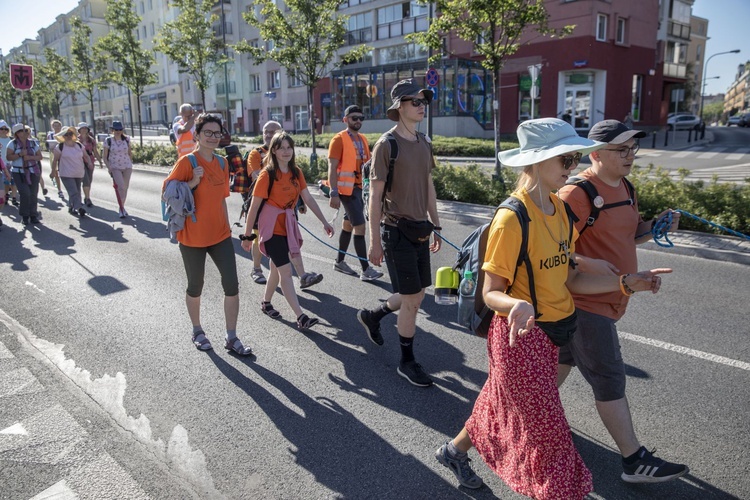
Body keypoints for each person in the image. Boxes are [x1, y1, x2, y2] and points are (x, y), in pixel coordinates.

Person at [434, 118, 674, 497]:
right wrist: (515, 305)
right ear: (537, 161)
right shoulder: (511, 218)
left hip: (554, 333)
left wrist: (627, 283)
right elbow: (492, 290)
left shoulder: (561, 213)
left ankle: (452, 452)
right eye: (565, 159)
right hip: (521, 339)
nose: (573, 167)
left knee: (497, 403)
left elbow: (570, 280)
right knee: (551, 445)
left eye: (574, 157)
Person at [556, 119, 688, 484]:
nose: (631, 155)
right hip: (584, 303)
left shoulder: (626, 187)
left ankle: (522, 418)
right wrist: (588, 263)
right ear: (595, 154)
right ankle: (634, 460)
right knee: (609, 378)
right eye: (622, 149)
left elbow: (631, 235)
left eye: (633, 148)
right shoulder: (577, 194)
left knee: (560, 365)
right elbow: (554, 247)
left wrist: (655, 226)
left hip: (612, 298)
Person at [355, 78, 442, 387]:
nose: (421, 106)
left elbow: (428, 186)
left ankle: (374, 315)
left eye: (423, 102)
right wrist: (374, 241)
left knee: (415, 293)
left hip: (420, 229)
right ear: (399, 107)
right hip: (395, 230)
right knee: (413, 298)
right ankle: (407, 361)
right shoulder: (386, 145)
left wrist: (437, 223)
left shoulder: (425, 142)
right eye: (415, 102)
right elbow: (375, 197)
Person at [162, 113, 252, 356]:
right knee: (195, 285)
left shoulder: (223, 164)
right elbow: (167, 193)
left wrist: (229, 228)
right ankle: (197, 330)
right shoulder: (187, 162)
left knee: (232, 285)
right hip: (192, 237)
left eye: (217, 133)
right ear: (197, 135)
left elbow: (221, 199)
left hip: (220, 235)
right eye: (208, 133)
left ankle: (231, 337)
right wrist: (191, 183)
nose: (213, 137)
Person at [240, 131, 334, 331]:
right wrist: (248, 236)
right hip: (270, 227)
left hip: (287, 224)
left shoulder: (296, 172)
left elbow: (307, 198)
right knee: (285, 271)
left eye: (289, 147)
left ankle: (266, 303)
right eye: (281, 147)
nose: (286, 151)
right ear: (273, 150)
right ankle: (301, 317)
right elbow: (254, 207)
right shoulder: (267, 174)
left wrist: (325, 222)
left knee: (275, 268)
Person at [245, 121, 323, 289]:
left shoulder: (294, 168)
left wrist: (300, 202)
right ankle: (257, 268)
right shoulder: (256, 154)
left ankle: (298, 278)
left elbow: (302, 191)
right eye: (266, 131)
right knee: (259, 239)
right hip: (264, 209)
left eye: (272, 131)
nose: (267, 135)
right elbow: (256, 177)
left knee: (288, 244)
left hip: (286, 209)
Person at [327, 105, 383, 282]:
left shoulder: (363, 139)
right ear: (345, 120)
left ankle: (339, 261)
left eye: (361, 118)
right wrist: (333, 192)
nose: (358, 121)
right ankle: (366, 270)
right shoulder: (338, 139)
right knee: (360, 226)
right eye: (354, 118)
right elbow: (332, 167)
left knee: (348, 225)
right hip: (346, 191)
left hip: (359, 189)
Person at [50, 126, 94, 218]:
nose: (69, 136)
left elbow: (86, 156)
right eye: (66, 134)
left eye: (70, 134)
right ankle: (79, 207)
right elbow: (55, 160)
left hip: (78, 173)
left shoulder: (79, 145)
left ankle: (71, 207)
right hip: (66, 174)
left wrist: (89, 163)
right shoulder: (60, 147)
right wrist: (53, 171)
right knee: (73, 191)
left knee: (76, 191)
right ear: (63, 136)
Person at [6, 123, 43, 225]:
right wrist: (19, 154)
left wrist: (30, 157)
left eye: (26, 131)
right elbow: (9, 157)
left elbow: (40, 157)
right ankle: (25, 215)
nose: (26, 133)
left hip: (32, 171)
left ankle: (33, 215)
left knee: (33, 193)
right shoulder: (12, 144)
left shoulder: (32, 143)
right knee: (25, 193)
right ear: (17, 133)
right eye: (23, 131)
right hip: (18, 172)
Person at [102, 121, 133, 218]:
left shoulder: (127, 139)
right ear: (112, 130)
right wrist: (109, 167)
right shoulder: (108, 141)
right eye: (116, 129)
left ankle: (122, 206)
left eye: (120, 129)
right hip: (115, 167)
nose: (118, 131)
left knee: (125, 187)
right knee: (121, 187)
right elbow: (104, 156)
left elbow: (129, 152)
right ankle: (121, 208)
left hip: (127, 166)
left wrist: (131, 162)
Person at [77, 122, 103, 207]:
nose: (84, 130)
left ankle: (86, 196)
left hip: (90, 161)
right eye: (82, 128)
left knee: (89, 180)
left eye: (85, 128)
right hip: (80, 162)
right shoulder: (76, 140)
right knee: (86, 180)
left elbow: (95, 151)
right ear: (79, 130)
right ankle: (87, 199)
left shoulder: (91, 140)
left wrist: (100, 161)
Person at [46, 119, 64, 199]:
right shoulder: (50, 135)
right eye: (55, 126)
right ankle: (59, 190)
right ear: (52, 127)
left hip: (63, 155)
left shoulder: (64, 134)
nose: (57, 127)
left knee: (64, 172)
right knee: (55, 172)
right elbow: (48, 145)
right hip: (53, 155)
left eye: (58, 125)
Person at [0, 121, 13, 207]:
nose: (4, 130)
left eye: (6, 129)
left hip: (10, 163)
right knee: (4, 181)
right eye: (2, 129)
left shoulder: (11, 139)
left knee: (9, 181)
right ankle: (4, 196)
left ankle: (7, 194)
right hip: (1, 164)